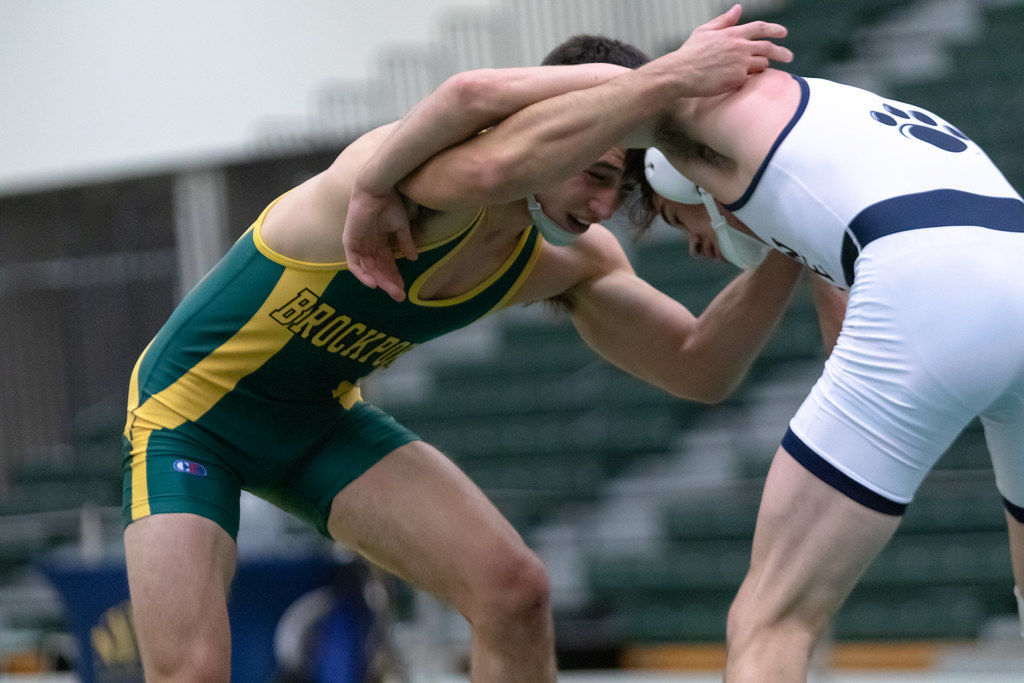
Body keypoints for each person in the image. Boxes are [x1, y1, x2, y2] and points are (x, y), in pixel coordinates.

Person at [120, 8, 799, 681]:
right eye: (592, 174)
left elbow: (699, 366)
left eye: (618, 187)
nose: (599, 209)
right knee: (193, 670)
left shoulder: (568, 259)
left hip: (315, 421)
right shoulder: (426, 179)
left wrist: (794, 239)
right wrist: (670, 76)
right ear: (547, 131)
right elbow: (475, 114)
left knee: (514, 591)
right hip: (190, 417)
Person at [348, 14, 1024, 683]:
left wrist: (375, 183)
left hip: (921, 280)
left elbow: (474, 100)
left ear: (672, 178)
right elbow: (839, 331)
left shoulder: (684, 103)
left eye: (676, 219)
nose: (703, 246)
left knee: (769, 622)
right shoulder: (839, 124)